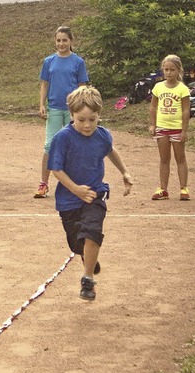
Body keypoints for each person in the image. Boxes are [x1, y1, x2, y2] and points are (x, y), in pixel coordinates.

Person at [48, 86, 133, 301]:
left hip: (96, 194)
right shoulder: (63, 138)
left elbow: (110, 150)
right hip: (69, 201)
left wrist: (124, 171)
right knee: (77, 244)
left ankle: (87, 280)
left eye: (92, 120)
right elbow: (56, 169)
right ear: (72, 115)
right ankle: (89, 259)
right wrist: (75, 189)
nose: (87, 125)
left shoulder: (102, 135)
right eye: (81, 119)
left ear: (99, 116)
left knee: (92, 232)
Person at [36, 26, 89, 198]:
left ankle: (73, 185)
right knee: (49, 145)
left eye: (65, 40)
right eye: (58, 40)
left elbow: (82, 87)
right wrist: (41, 104)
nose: (61, 43)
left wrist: (81, 108)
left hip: (72, 110)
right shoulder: (49, 61)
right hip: (54, 108)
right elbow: (44, 84)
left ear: (71, 41)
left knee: (73, 145)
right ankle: (43, 184)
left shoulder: (78, 62)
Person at [149, 54, 191, 201]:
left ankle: (183, 188)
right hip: (162, 128)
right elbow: (153, 107)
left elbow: (186, 110)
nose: (168, 73)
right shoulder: (158, 87)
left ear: (178, 70)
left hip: (177, 128)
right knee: (164, 159)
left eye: (172, 70)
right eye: (166, 69)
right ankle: (163, 189)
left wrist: (184, 130)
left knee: (180, 158)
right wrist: (153, 124)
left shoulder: (183, 89)